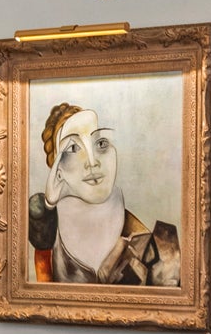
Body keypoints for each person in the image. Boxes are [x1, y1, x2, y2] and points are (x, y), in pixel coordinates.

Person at [27, 101, 181, 285]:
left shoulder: (157, 246)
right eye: (73, 148)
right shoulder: (48, 235)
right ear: (57, 170)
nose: (92, 162)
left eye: (101, 143)